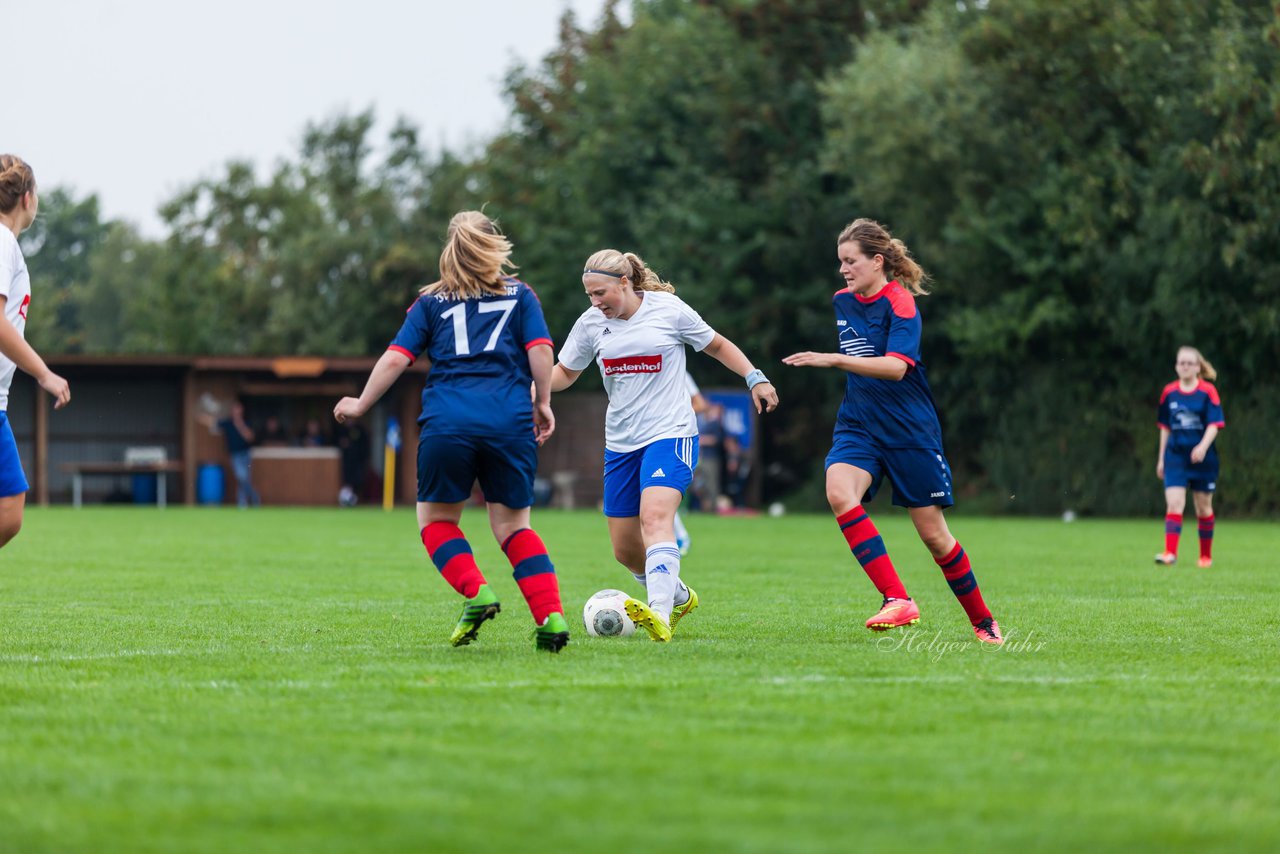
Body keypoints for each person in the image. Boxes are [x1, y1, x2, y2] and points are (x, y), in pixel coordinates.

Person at [333, 211, 569, 652]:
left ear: (451, 248)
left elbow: (395, 358)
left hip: (448, 423)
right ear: (492, 244)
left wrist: (362, 403)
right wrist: (542, 403)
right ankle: (551, 618)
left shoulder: (430, 302)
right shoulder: (521, 296)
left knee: (437, 521)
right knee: (514, 527)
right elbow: (540, 350)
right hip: (508, 422)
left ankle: (477, 591)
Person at [783, 218, 1003, 644]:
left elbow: (897, 368)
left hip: (909, 432)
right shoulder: (842, 301)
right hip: (859, 426)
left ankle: (982, 621)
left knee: (935, 538)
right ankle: (896, 599)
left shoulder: (901, 303)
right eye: (840, 263)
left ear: (877, 261)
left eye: (851, 262)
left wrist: (833, 360)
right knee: (837, 491)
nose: (844, 270)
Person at [551, 249, 779, 642]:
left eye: (601, 292)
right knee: (625, 550)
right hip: (621, 444)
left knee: (655, 518)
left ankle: (659, 613)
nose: (595, 302)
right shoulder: (590, 324)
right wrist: (526, 386)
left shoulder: (668, 310)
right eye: (589, 295)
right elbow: (565, 373)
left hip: (671, 433)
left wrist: (754, 377)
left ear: (625, 283)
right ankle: (678, 595)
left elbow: (717, 345)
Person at [0, 155, 71, 547]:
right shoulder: (2, 240)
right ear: (27, 198)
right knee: (9, 509)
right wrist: (44, 372)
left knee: (9, 509)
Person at [1155, 346, 1223, 568]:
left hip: (1203, 459)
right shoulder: (1169, 392)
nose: (1184, 366)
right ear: (1176, 366)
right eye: (1180, 363)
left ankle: (1205, 557)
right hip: (1175, 457)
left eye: (1189, 363)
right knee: (1174, 503)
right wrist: (1161, 458)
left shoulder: (1208, 392)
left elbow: (1215, 424)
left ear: (1197, 367)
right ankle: (1170, 554)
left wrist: (1203, 446)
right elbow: (1164, 426)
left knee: (1203, 507)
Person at [206, 400, 260, 508]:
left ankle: (242, 503)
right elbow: (212, 427)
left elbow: (250, 437)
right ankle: (254, 497)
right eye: (234, 409)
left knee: (245, 479)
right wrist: (211, 412)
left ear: (241, 410)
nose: (235, 411)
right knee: (241, 476)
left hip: (245, 454)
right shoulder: (227, 423)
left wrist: (239, 425)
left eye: (237, 409)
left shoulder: (247, 422)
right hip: (234, 455)